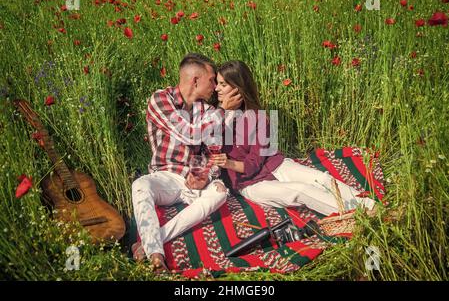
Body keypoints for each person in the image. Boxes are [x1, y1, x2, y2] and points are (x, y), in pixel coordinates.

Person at [211, 60, 376, 217]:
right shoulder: (213, 118)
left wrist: (229, 162)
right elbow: (210, 143)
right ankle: (359, 216)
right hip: (250, 184)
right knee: (300, 191)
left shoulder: (259, 117)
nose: (216, 88)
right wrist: (225, 112)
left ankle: (371, 206)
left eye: (223, 84)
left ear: (238, 88)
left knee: (322, 179)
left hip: (273, 164)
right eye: (217, 83)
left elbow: (255, 161)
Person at [131, 53, 242, 272]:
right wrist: (223, 112)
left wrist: (206, 177)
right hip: (166, 177)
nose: (215, 87)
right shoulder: (160, 100)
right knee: (140, 185)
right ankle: (156, 256)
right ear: (195, 80)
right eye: (212, 80)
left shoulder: (208, 111)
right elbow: (187, 134)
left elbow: (214, 154)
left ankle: (151, 240)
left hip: (194, 182)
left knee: (219, 191)